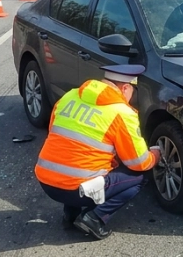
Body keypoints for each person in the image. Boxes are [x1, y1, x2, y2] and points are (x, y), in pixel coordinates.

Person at [34, 64, 160, 239]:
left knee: (74, 161)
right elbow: (139, 162)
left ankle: (70, 214)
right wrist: (155, 155)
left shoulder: (69, 96)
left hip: (46, 182)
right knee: (140, 176)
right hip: (77, 190)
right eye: (134, 90)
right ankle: (94, 218)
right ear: (125, 88)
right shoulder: (121, 112)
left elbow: (58, 136)